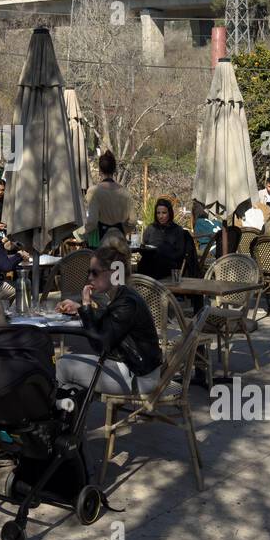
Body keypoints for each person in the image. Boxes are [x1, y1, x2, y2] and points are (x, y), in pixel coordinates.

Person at [54, 246, 163, 395]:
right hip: (133, 368)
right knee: (66, 371)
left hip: (139, 377)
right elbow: (111, 319)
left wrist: (86, 306)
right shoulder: (123, 295)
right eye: (89, 272)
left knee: (62, 366)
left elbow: (100, 344)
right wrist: (80, 308)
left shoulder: (127, 303)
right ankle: (67, 412)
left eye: (95, 272)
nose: (90, 278)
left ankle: (59, 413)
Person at [139, 197, 199, 281]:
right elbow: (143, 246)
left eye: (164, 213)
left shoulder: (177, 230)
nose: (160, 216)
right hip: (149, 262)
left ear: (169, 213)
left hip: (169, 266)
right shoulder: (151, 228)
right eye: (158, 213)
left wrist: (161, 252)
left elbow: (179, 253)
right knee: (142, 265)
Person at [85, 151, 132, 242]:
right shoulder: (125, 192)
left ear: (100, 171)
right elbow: (132, 221)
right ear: (114, 170)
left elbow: (92, 222)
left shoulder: (94, 192)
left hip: (99, 244)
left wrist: (78, 234)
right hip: (119, 242)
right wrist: (121, 231)